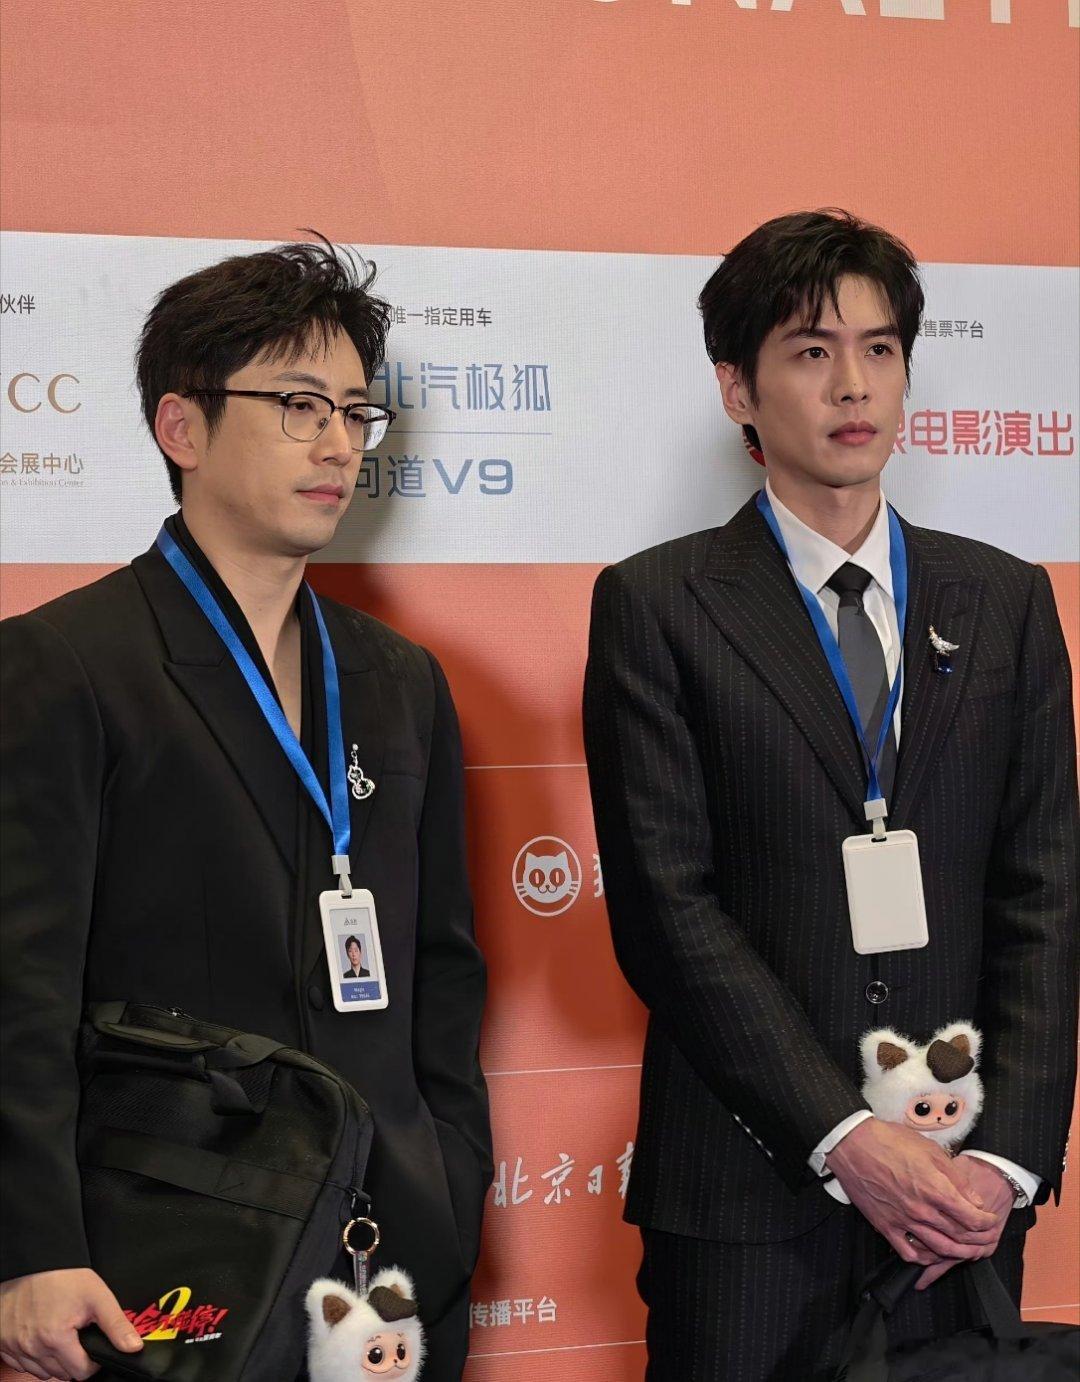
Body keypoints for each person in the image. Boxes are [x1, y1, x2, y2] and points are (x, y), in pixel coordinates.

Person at [583, 209, 1078, 1380]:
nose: (853, 384)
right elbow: (668, 909)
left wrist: (1003, 1159)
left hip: (957, 1207)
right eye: (811, 351)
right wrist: (844, 1132)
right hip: (747, 1196)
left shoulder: (1003, 599)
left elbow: (1046, 890)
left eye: (880, 348)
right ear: (738, 389)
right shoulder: (660, 605)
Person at [0, 238, 492, 1381]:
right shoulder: (66, 664)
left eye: (356, 412)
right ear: (182, 426)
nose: (338, 444)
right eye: (298, 405)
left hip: (394, 1264)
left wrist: (452, 1180)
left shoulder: (400, 679)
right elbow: (20, 986)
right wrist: (33, 1248)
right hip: (173, 1259)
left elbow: (444, 967)